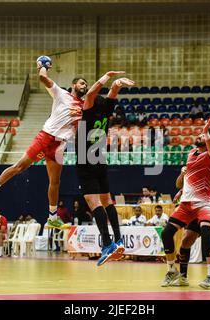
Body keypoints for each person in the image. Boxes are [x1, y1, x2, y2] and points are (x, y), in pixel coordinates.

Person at [0, 55, 119, 229]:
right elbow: (43, 78)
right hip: (46, 136)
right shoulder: (61, 94)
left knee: (55, 182)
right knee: (20, 167)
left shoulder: (85, 106)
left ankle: (52, 216)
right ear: (74, 86)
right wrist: (42, 65)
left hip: (60, 145)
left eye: (86, 84)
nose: (85, 86)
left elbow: (98, 103)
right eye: (81, 83)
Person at [75, 76, 134, 265]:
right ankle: (118, 239)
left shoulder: (89, 110)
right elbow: (112, 94)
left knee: (93, 202)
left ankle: (107, 244)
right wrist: (117, 84)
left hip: (86, 158)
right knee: (107, 199)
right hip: (100, 157)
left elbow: (91, 94)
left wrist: (107, 77)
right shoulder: (106, 111)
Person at [161, 117, 210, 289]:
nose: (200, 136)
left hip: (204, 203)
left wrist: (207, 130)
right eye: (202, 135)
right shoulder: (191, 154)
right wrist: (181, 190)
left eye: (203, 136)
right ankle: (172, 270)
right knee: (166, 233)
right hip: (186, 203)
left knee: (206, 233)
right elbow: (189, 178)